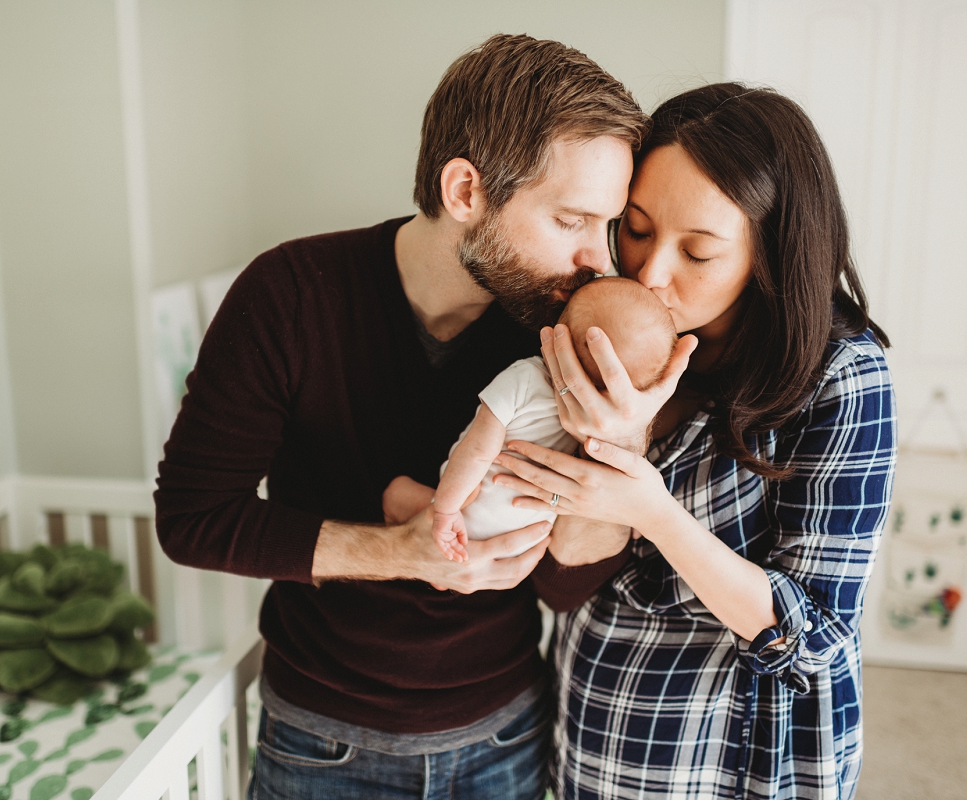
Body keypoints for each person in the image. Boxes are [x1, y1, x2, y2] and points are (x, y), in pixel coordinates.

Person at [153, 35, 695, 800]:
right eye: (572, 221)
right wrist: (404, 552)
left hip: (503, 735)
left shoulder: (559, 334)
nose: (598, 264)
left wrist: (622, 443)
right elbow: (193, 519)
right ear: (465, 190)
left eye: (606, 228)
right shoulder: (289, 294)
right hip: (318, 742)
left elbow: (566, 589)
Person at [493, 83, 896, 799]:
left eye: (700, 251)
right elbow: (559, 586)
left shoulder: (843, 376)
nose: (650, 275)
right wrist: (611, 444)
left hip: (733, 763)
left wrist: (652, 510)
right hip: (596, 737)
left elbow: (816, 641)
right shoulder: (605, 328)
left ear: (770, 254)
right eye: (638, 229)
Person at [431, 277, 676, 562]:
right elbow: (477, 451)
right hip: (486, 524)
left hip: (480, 525)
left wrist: (444, 511)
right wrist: (445, 510)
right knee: (402, 498)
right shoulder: (585, 421)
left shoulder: (525, 379)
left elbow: (476, 450)